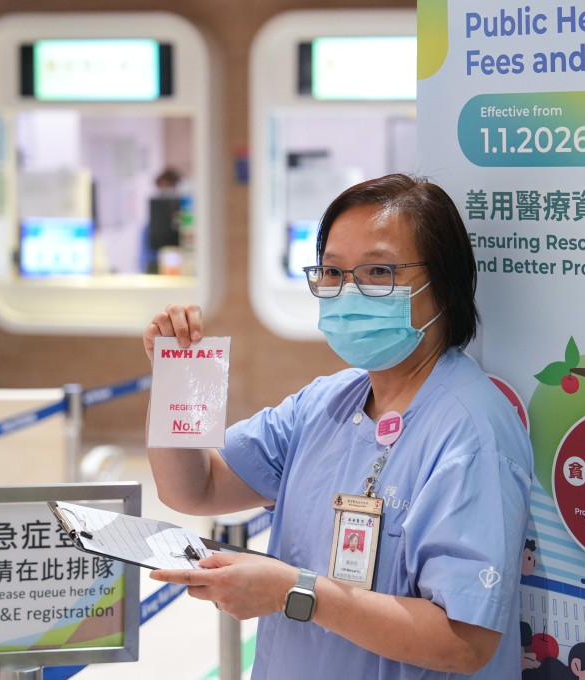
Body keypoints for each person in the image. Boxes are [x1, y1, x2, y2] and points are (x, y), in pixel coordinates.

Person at [144, 174, 534, 678]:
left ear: (443, 282)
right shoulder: (327, 402)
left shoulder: (471, 434)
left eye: (377, 271)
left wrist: (292, 592)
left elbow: (463, 642)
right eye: (332, 272)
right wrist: (177, 379)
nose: (348, 292)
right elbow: (196, 488)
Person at [140, 167, 182, 274]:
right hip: (155, 266)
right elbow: (145, 258)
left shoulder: (184, 214)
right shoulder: (149, 226)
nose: (164, 192)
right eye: (161, 188)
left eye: (168, 187)